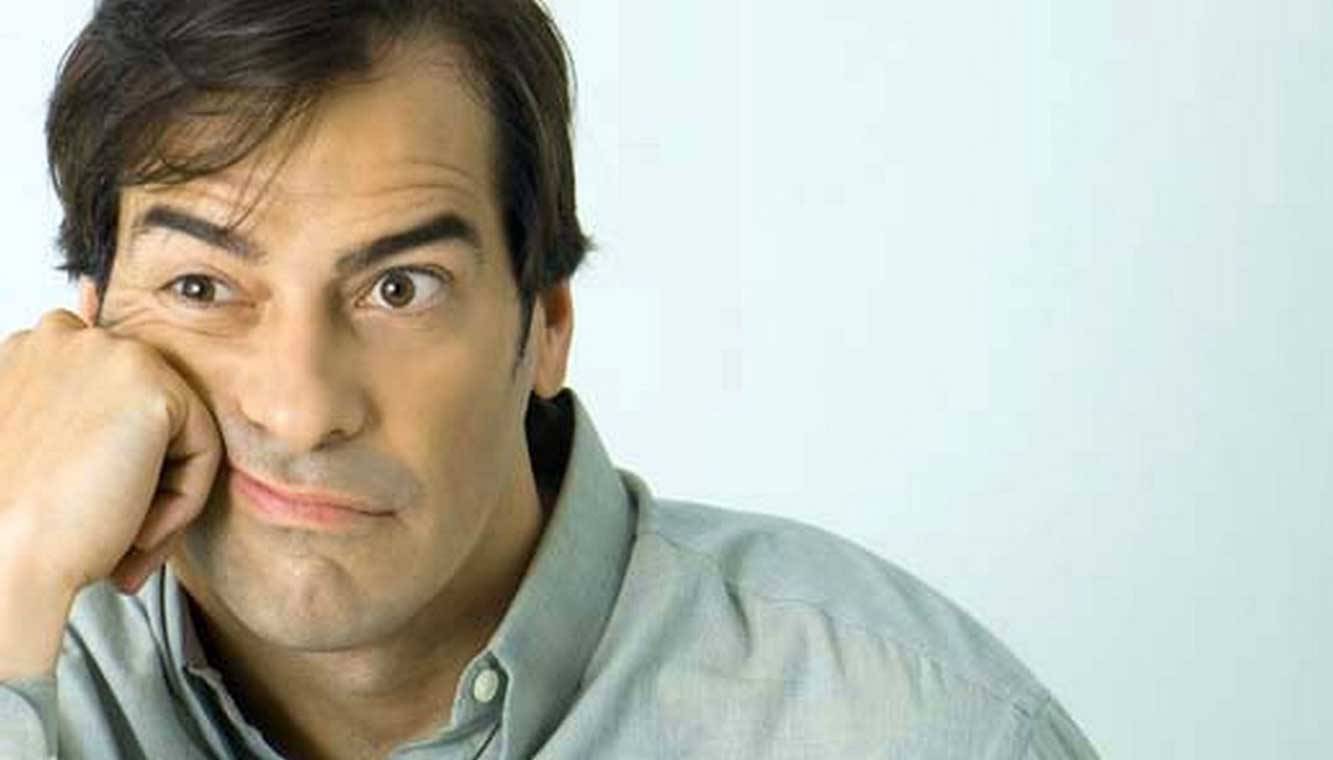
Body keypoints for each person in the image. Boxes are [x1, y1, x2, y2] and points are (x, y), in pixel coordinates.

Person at [0, 2, 1100, 758]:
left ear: (547, 326)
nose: (301, 408)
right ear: (87, 330)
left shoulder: (915, 728)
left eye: (400, 289)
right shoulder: (30, 640)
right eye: (200, 286)